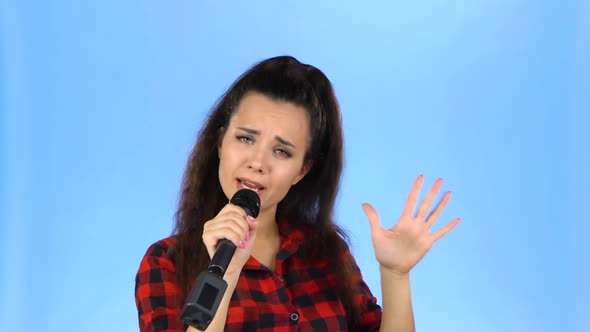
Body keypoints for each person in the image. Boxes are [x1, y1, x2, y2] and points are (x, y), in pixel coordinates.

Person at [134, 55, 460, 332]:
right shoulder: (167, 263)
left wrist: (395, 274)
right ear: (220, 143)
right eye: (246, 139)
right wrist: (226, 274)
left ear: (302, 170)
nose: (257, 163)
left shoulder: (327, 251)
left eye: (281, 151)